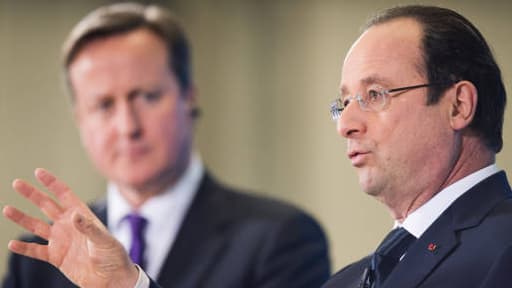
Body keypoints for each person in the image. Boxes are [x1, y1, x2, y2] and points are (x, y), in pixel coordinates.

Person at [2, 3, 330, 288]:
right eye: (103, 105)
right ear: (79, 120)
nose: (128, 126)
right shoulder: (38, 261)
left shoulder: (280, 238)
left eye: (147, 96)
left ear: (189, 96)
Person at [323, 5, 511, 288]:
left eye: (374, 95)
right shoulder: (342, 282)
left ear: (458, 106)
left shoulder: (504, 249)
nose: (345, 125)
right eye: (345, 102)